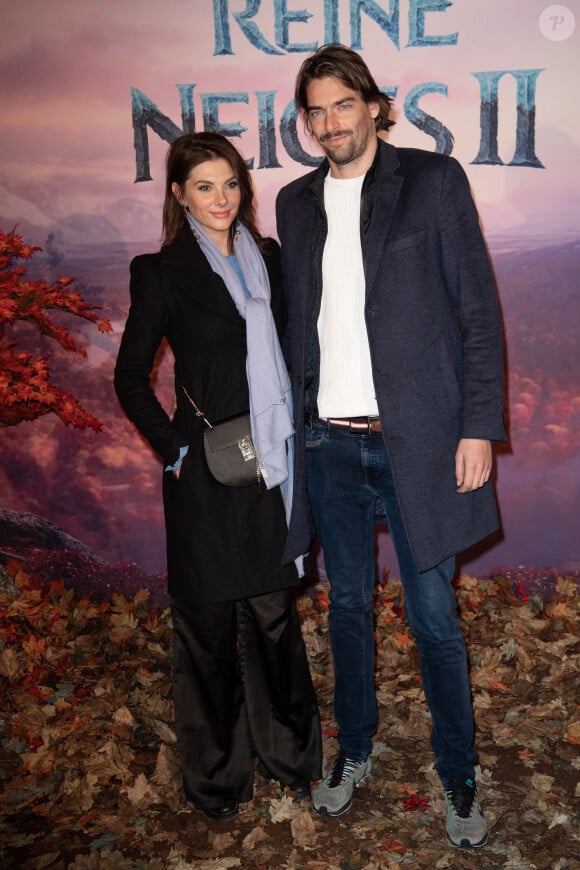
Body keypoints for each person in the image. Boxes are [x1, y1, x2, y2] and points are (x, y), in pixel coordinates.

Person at [276, 45, 506, 848]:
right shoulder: (293, 203)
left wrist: (479, 425)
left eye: (344, 104)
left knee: (435, 617)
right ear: (304, 122)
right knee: (346, 610)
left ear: (376, 105)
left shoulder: (434, 183)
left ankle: (459, 771)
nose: (330, 122)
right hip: (329, 447)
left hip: (419, 443)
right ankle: (356, 751)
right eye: (316, 110)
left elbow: (476, 313)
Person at [114, 132, 321, 823]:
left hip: (270, 464)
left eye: (230, 183)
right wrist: (176, 450)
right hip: (204, 474)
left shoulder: (269, 258)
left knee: (270, 616)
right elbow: (130, 378)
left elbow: (297, 351)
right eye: (204, 186)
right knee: (205, 627)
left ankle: (292, 759)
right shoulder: (162, 271)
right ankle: (217, 780)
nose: (221, 198)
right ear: (178, 193)